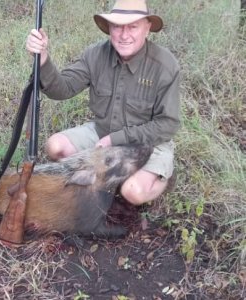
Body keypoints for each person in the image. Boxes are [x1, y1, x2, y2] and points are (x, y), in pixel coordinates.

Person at [26, 0, 180, 206]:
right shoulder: (95, 54)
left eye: (133, 26)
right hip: (102, 133)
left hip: (148, 144)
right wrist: (43, 58)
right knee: (56, 147)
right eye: (117, 26)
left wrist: (115, 139)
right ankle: (109, 180)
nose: (124, 35)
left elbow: (168, 124)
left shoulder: (165, 64)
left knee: (133, 192)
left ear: (147, 28)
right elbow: (63, 88)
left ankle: (162, 179)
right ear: (109, 28)